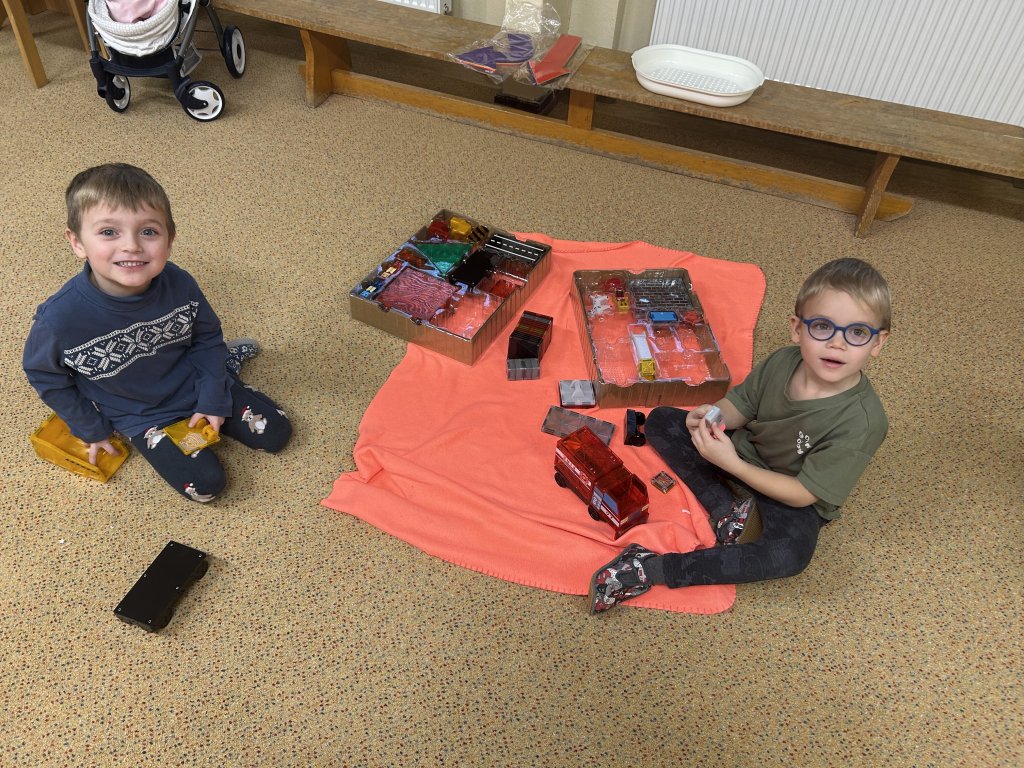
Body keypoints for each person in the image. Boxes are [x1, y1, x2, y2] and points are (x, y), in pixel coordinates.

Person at [590, 257, 891, 612]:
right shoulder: (783, 361)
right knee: (661, 420)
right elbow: (743, 404)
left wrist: (733, 465)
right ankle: (726, 512)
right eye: (823, 326)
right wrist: (713, 415)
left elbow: (803, 494)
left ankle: (647, 568)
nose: (837, 344)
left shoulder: (862, 422)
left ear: (877, 343)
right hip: (743, 455)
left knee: (790, 554)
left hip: (791, 495)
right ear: (797, 329)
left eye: (857, 333)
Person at [23, 163, 291, 502]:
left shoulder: (179, 282)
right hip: (141, 415)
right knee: (205, 485)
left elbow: (206, 337)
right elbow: (45, 375)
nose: (132, 246)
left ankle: (227, 370)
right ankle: (222, 378)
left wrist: (212, 396)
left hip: (194, 384)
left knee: (277, 434)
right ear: (77, 243)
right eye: (109, 232)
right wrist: (91, 428)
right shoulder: (58, 319)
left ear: (170, 239)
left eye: (148, 231)